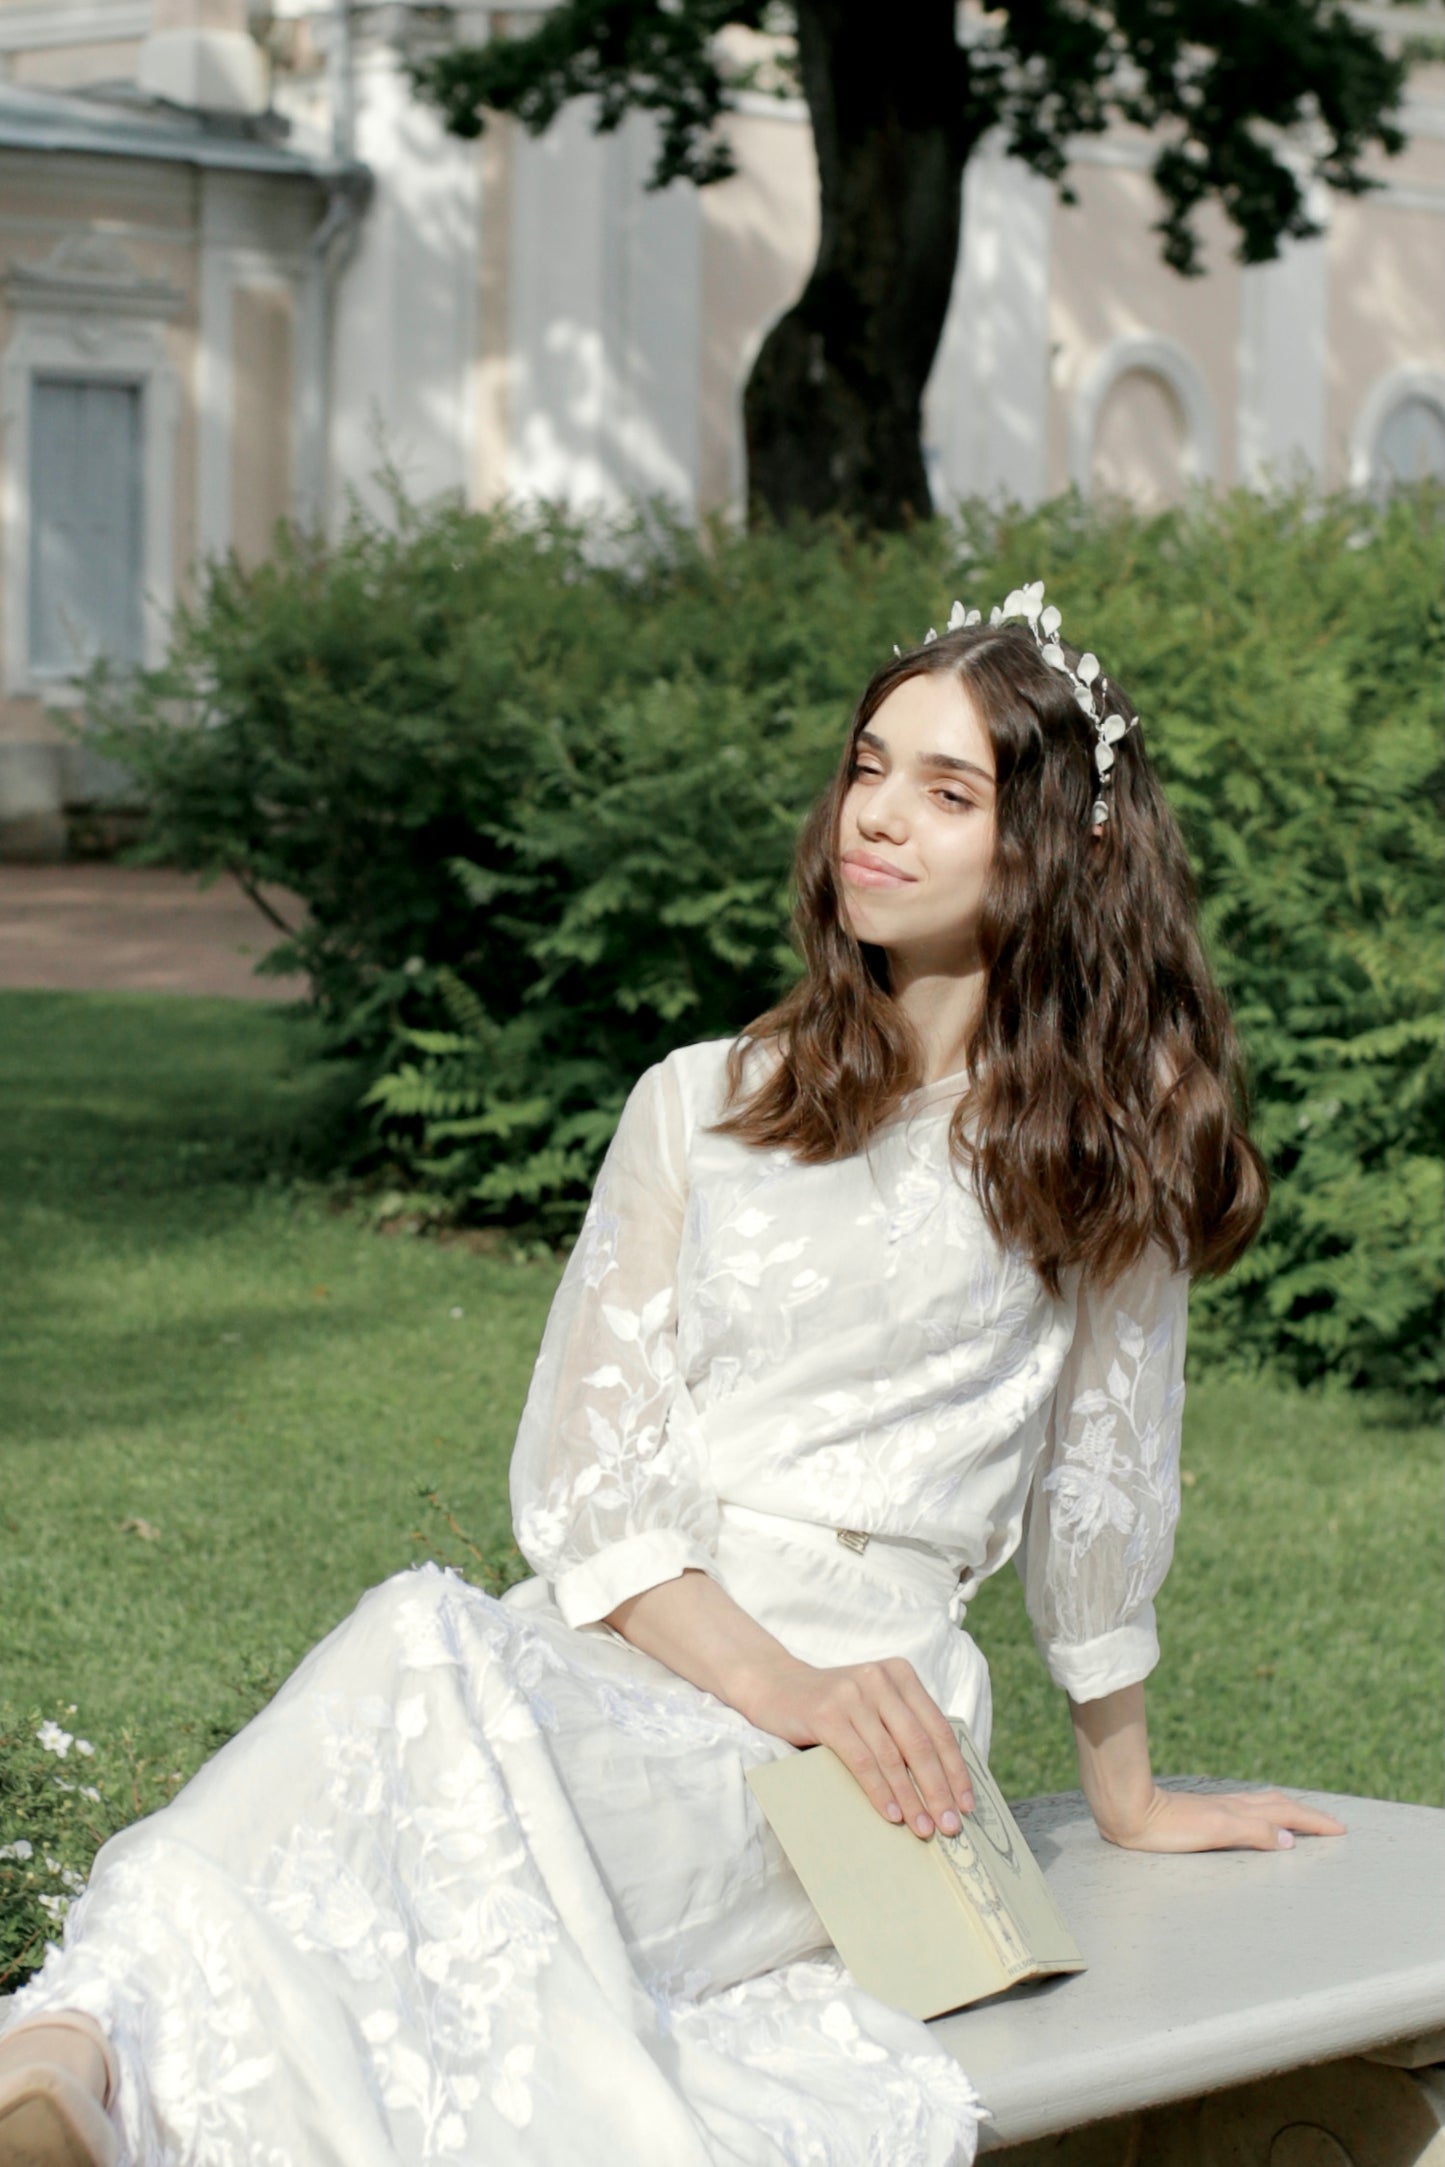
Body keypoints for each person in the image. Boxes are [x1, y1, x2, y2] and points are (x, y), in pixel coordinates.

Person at [0, 584, 1344, 2167]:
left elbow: (1100, 1501)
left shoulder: (1100, 1150)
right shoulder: (700, 1102)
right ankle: (67, 2062)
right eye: (866, 767)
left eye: (946, 789)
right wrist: (769, 1679)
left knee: (418, 1743)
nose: (877, 819)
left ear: (1048, 846)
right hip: (632, 1652)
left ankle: (72, 2052)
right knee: (424, 1640)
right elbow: (589, 1483)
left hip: (867, 1732)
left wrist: (1123, 1795)